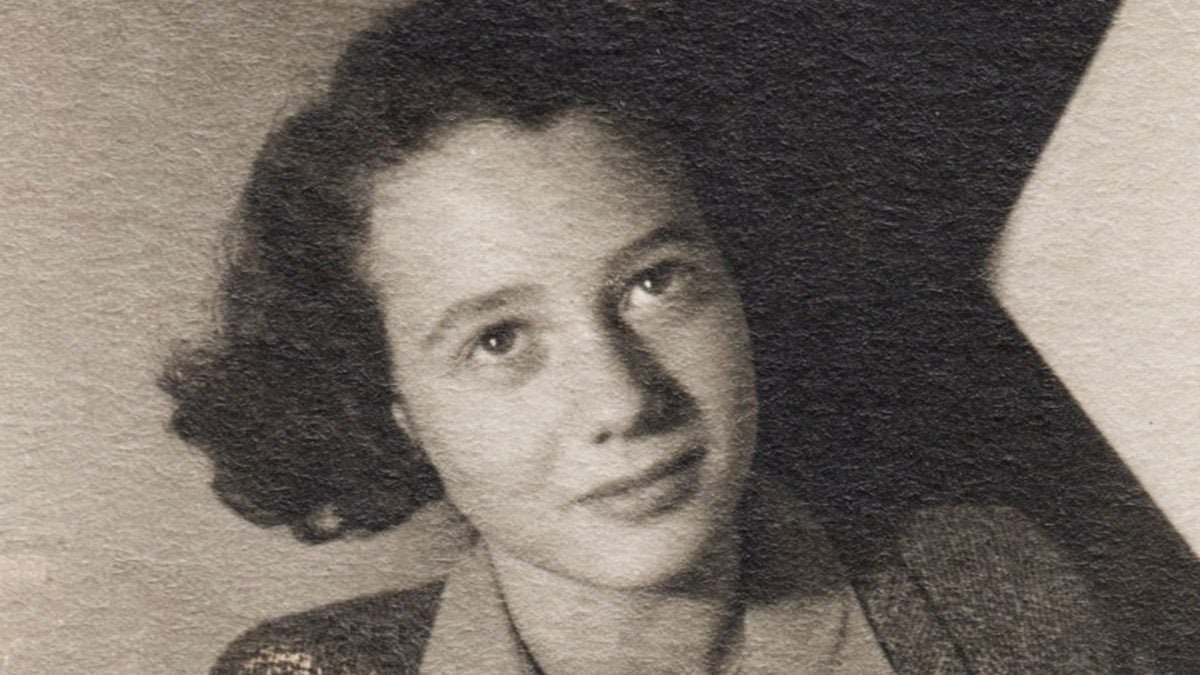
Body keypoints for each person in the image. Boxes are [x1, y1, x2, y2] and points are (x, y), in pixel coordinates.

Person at [164, 1, 1122, 672]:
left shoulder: (987, 591)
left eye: (654, 283)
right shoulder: (303, 671)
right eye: (498, 339)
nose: (623, 400)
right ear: (397, 410)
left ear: (741, 277)